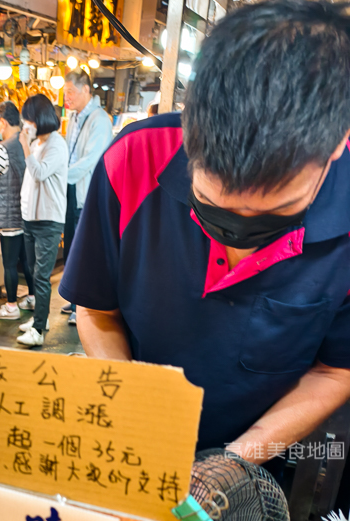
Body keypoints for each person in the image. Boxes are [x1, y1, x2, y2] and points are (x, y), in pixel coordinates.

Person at [60, 0, 350, 462]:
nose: (234, 232)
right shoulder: (131, 160)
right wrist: (132, 414)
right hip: (138, 446)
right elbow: (97, 312)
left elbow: (335, 370)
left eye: (277, 210)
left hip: (268, 457)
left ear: (337, 144)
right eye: (212, 203)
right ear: (189, 127)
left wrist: (233, 463)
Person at [61, 69, 113, 326]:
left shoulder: (99, 119)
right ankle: (73, 301)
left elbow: (92, 159)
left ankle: (81, 308)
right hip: (71, 187)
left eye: (70, 91)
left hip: (86, 191)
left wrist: (62, 176)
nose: (67, 97)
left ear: (86, 90)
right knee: (71, 246)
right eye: (65, 92)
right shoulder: (73, 117)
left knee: (84, 251)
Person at [16, 94, 69, 348]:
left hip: (48, 219)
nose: (26, 124)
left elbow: (39, 173)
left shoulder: (57, 145)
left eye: (29, 119)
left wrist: (25, 146)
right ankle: (41, 318)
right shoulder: (39, 143)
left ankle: (38, 331)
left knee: (41, 276)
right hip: (31, 217)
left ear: (40, 119)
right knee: (32, 271)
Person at [0, 101, 35, 320]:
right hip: (26, 212)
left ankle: (11, 307)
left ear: (2, 121)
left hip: (10, 214)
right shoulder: (27, 142)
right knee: (26, 260)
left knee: (10, 263)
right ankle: (32, 298)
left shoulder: (3, 148)